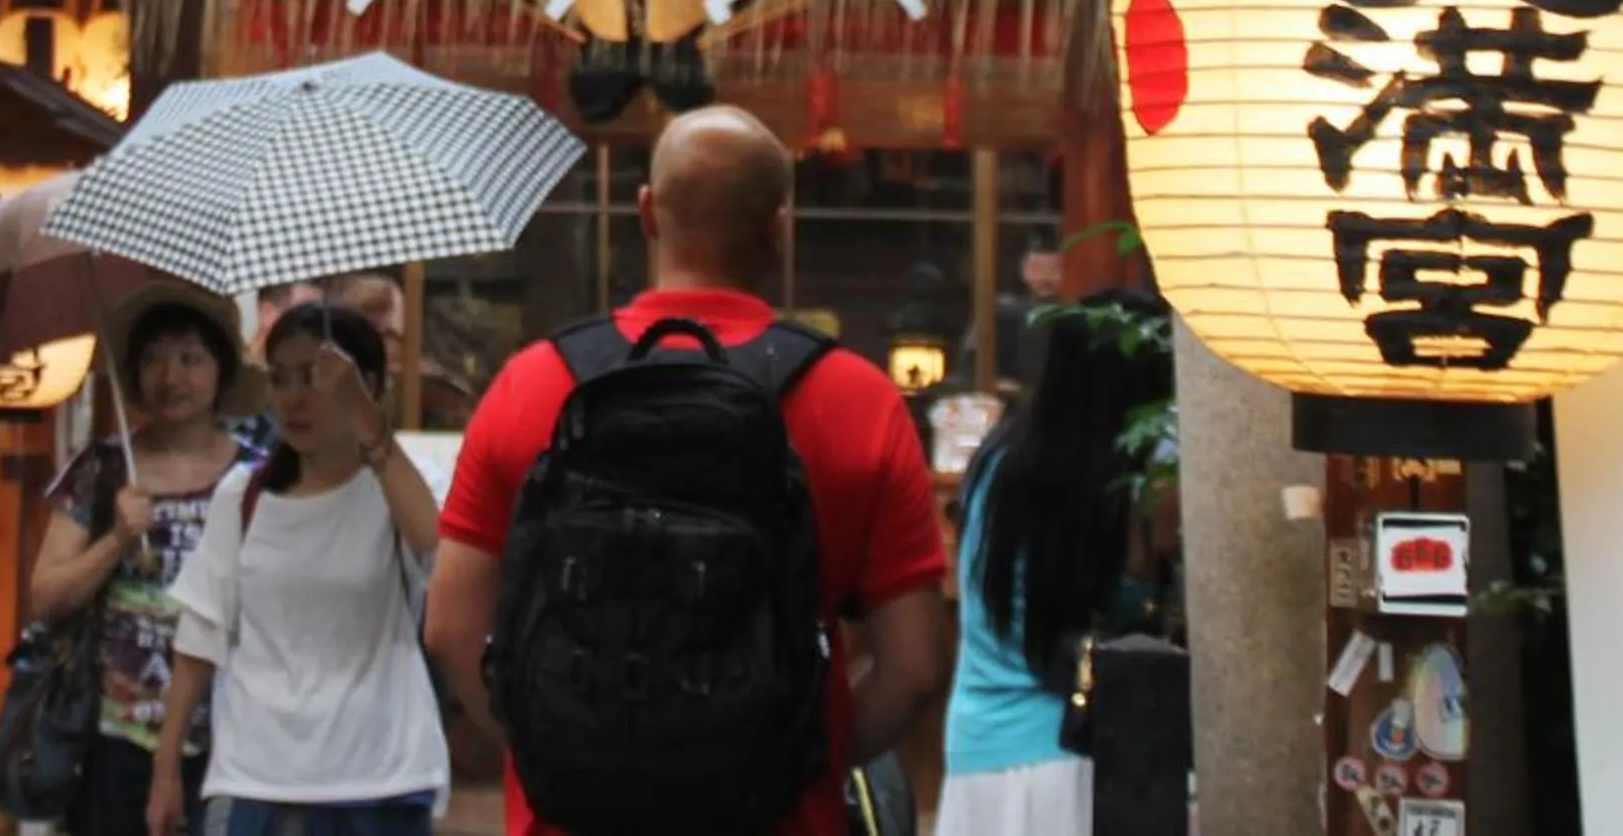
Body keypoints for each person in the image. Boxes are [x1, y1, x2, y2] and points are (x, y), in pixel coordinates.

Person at [425, 106, 950, 836]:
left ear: (647, 213)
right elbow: (914, 665)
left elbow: (450, 626)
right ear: (780, 227)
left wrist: (559, 744)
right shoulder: (860, 400)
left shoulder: (532, 384)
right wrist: (805, 757)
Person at [149, 303, 447, 836]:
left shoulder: (402, 484)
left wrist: (366, 419)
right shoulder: (244, 494)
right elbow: (199, 634)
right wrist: (166, 766)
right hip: (256, 774)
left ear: (367, 384)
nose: (294, 398)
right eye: (280, 379)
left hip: (380, 774)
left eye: (315, 377)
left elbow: (433, 541)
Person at [936, 288, 1178, 836]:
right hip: (1081, 751)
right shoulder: (1118, 484)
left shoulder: (999, 461)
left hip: (980, 746)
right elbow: (1123, 615)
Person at [31, 285, 267, 836]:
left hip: (234, 736)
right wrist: (115, 540)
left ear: (221, 369)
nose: (171, 376)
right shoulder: (103, 469)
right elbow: (44, 596)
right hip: (116, 739)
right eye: (154, 359)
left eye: (190, 358)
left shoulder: (260, 477)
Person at [968, 237, 1067, 393]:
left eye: (1055, 270)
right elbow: (973, 358)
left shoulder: (1081, 313)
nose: (1045, 277)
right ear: (1023, 272)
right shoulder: (1004, 311)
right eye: (1036, 269)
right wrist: (996, 382)